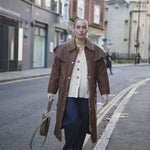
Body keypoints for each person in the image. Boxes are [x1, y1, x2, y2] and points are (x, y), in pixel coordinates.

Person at [47, 18, 110, 150]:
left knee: (83, 125)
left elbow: (102, 74)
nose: (81, 30)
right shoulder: (63, 49)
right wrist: (51, 91)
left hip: (86, 96)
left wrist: (104, 93)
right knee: (75, 121)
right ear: (73, 29)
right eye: (78, 27)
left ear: (87, 29)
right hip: (68, 95)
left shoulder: (95, 51)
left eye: (84, 27)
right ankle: (67, 147)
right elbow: (55, 72)